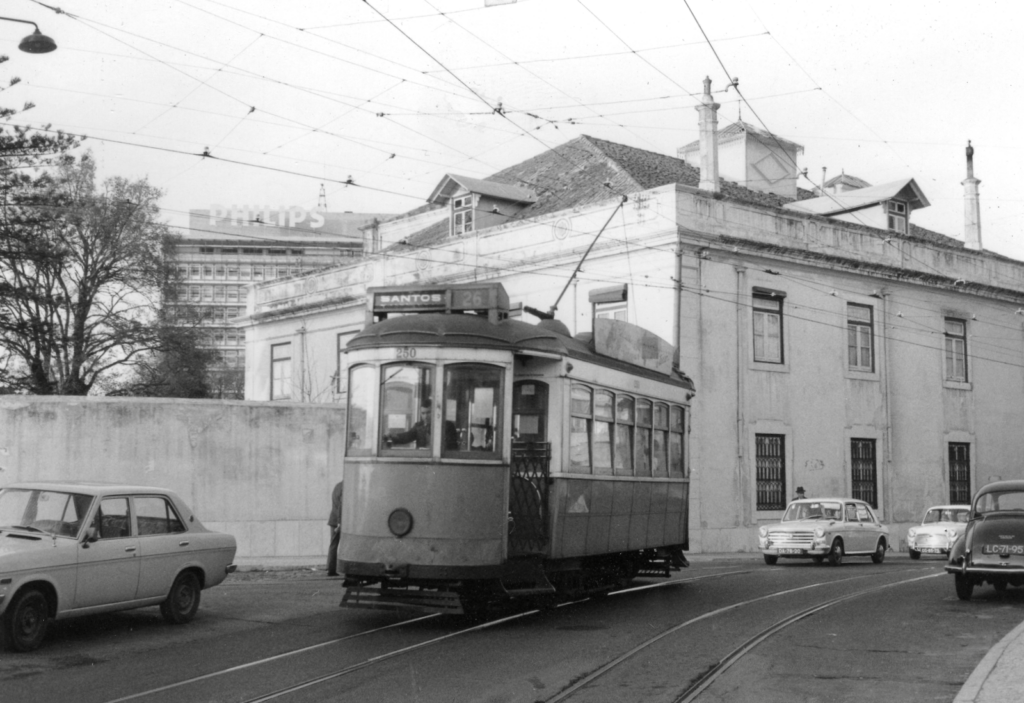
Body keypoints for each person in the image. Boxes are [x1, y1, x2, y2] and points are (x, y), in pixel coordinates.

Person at [326, 480, 343, 577]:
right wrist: (340, 522)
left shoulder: (337, 486)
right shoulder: (346, 487)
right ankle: (332, 569)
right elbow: (341, 506)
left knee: (333, 544)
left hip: (333, 519)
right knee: (335, 544)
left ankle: (330, 568)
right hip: (338, 521)